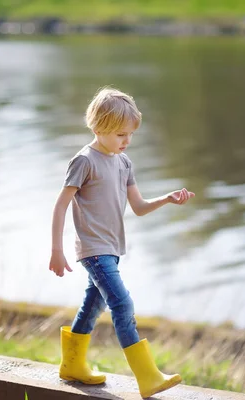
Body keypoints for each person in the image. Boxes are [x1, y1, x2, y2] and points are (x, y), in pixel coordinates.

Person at [49, 86, 195, 398]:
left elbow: (139, 207)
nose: (126, 141)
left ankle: (72, 365)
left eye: (129, 135)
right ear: (98, 127)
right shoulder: (84, 161)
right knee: (122, 303)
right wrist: (56, 250)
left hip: (113, 250)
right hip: (93, 250)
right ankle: (147, 376)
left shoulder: (124, 163)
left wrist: (168, 199)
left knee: (93, 305)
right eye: (120, 135)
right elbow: (61, 204)